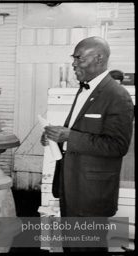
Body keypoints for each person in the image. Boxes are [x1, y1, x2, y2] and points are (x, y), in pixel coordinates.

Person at [40, 37, 134, 252]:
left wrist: (69, 137)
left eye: (79, 58)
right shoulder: (84, 90)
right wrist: (55, 137)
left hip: (91, 194)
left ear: (99, 59)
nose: (74, 64)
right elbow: (78, 131)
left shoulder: (117, 95)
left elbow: (117, 146)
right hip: (71, 187)